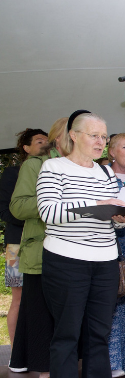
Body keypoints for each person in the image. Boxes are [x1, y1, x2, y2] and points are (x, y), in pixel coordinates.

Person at [38, 110, 125, 378]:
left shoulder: (105, 173)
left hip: (105, 261)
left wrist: (120, 218)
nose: (100, 141)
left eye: (104, 136)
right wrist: (95, 206)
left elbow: (111, 219)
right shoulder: (53, 167)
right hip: (66, 260)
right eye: (94, 135)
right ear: (74, 135)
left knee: (99, 332)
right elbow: (49, 212)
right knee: (67, 333)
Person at [9, 118, 64, 378]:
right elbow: (16, 207)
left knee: (63, 317)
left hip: (71, 253)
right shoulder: (31, 166)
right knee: (36, 311)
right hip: (34, 251)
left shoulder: (83, 167)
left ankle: (62, 372)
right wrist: (54, 204)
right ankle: (42, 371)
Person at [1, 128, 47, 349]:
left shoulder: (53, 170)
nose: (45, 144)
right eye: (39, 141)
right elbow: (6, 210)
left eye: (47, 141)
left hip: (44, 245)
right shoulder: (12, 173)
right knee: (18, 299)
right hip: (16, 245)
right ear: (26, 148)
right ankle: (15, 353)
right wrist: (34, 219)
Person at [105, 133, 125, 378]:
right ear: (112, 152)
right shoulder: (103, 178)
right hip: (113, 244)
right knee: (115, 301)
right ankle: (111, 361)